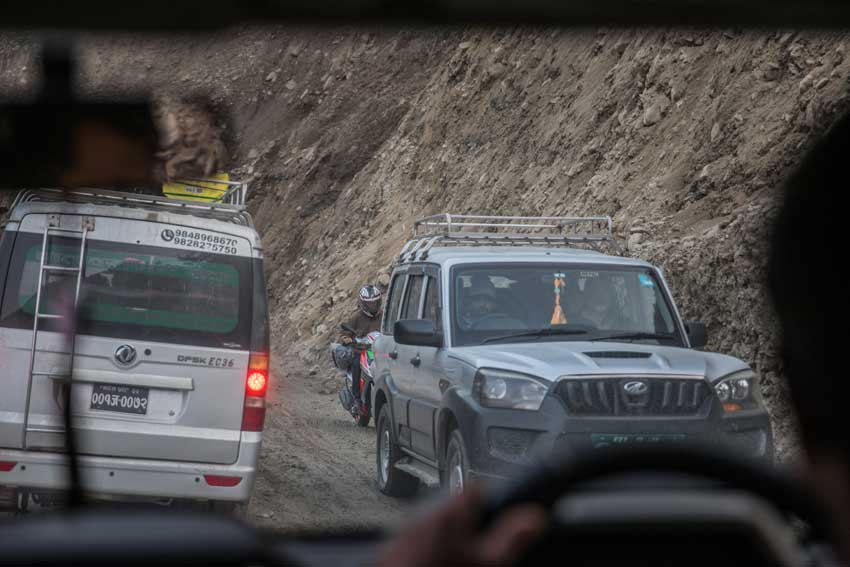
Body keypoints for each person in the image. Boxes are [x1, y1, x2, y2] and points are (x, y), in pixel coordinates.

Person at [340, 284, 383, 412]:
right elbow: (344, 335)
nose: (373, 307)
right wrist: (349, 340)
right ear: (363, 304)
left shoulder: (384, 316)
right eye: (369, 304)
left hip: (380, 349)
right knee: (356, 364)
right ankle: (357, 399)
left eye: (375, 303)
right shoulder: (356, 317)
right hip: (362, 350)